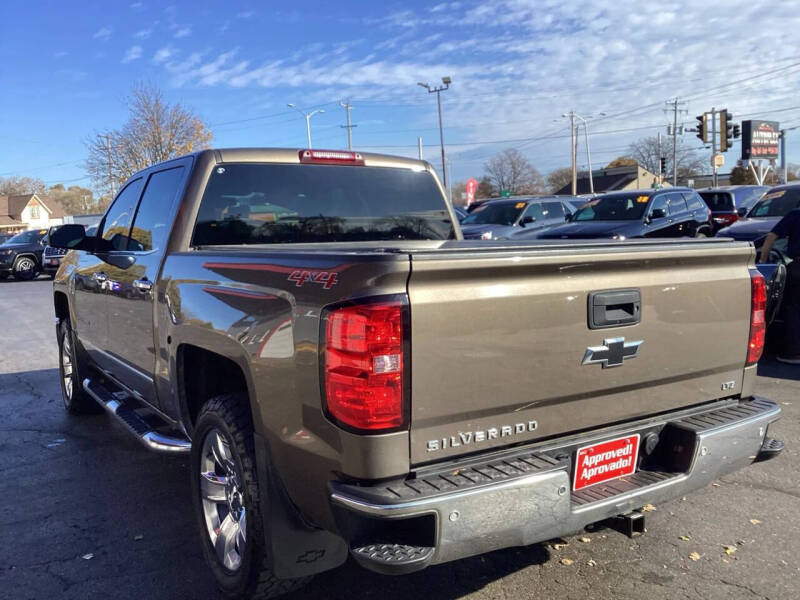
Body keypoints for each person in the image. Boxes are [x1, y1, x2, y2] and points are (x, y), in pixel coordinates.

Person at [759, 207, 800, 364]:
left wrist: (762, 262)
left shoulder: (795, 214)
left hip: (797, 267)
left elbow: (771, 237)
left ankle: (795, 352)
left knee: (793, 308)